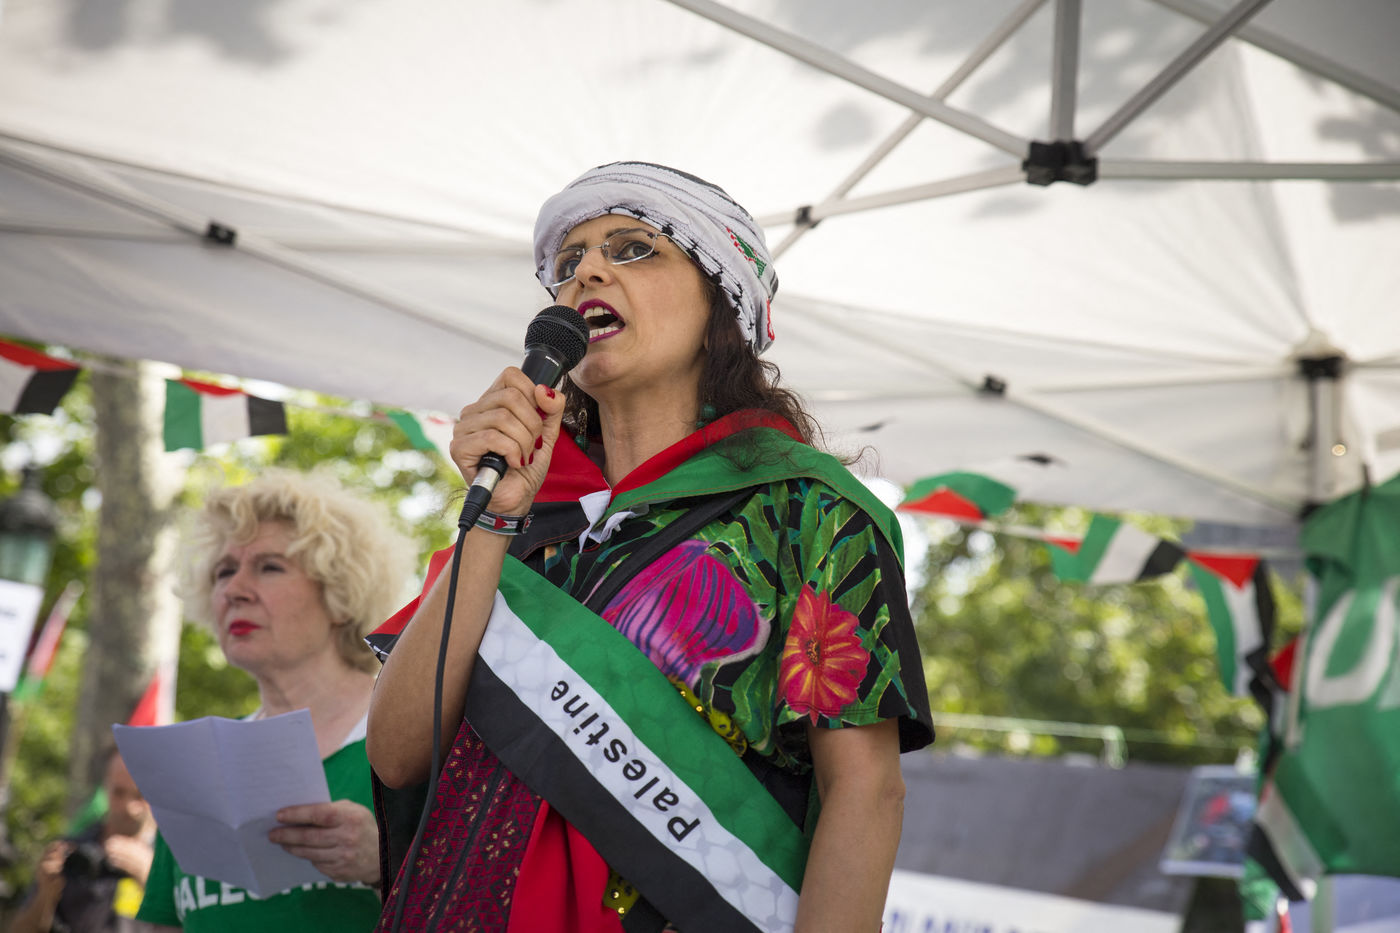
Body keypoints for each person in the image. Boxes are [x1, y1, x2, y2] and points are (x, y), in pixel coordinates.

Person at [367, 161, 934, 932]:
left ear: (722, 303)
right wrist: (492, 521)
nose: (587, 272)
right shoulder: (526, 511)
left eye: (634, 248)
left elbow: (864, 792)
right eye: (569, 262)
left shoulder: (806, 508)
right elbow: (397, 753)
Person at [135, 469, 418, 932]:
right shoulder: (197, 770)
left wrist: (387, 864)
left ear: (340, 591)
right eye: (224, 571)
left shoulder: (420, 737)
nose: (234, 590)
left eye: (269, 567)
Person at [11, 747, 155, 933]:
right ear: (105, 786)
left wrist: (150, 880)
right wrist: (45, 896)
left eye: (139, 795)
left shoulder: (170, 861)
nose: (129, 807)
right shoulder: (73, 852)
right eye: (119, 792)